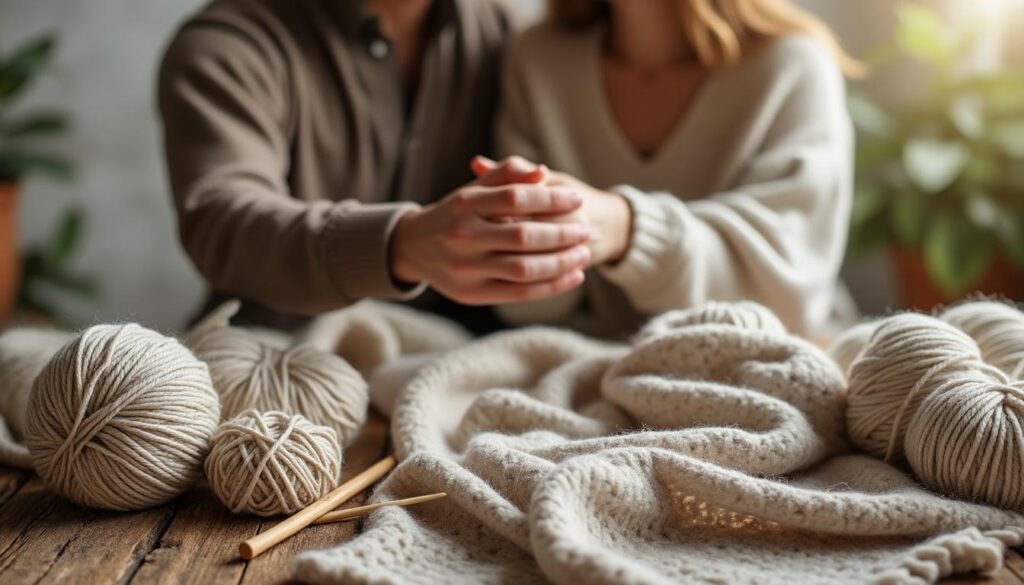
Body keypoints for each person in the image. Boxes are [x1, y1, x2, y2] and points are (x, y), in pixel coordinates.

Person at [158, 0, 592, 334]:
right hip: (272, 365)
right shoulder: (226, 45)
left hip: (450, 366)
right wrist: (399, 245)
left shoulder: (506, 31)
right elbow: (222, 221)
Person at [481, 0, 862, 338]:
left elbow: (787, 295)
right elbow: (529, 311)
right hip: (593, 361)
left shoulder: (792, 65)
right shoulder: (537, 59)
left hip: (775, 352)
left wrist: (626, 229)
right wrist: (514, 247)